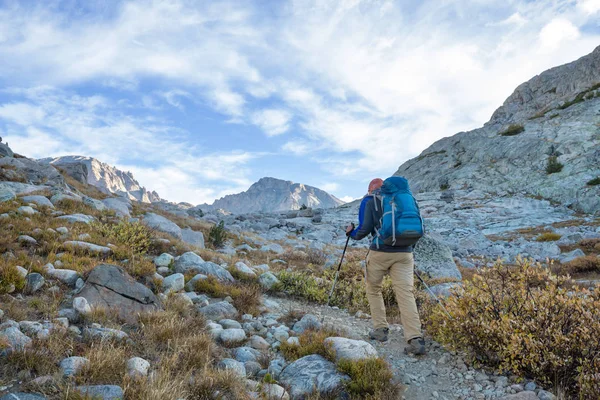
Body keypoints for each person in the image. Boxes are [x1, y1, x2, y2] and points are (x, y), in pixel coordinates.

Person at [346, 178, 425, 355]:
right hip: (405, 253)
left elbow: (363, 230)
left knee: (373, 288)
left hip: (380, 251)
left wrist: (351, 232)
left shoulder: (370, 201)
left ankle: (381, 330)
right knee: (406, 293)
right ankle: (415, 338)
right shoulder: (406, 199)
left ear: (370, 189)